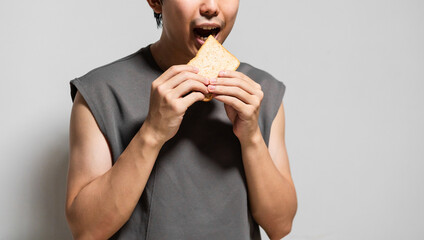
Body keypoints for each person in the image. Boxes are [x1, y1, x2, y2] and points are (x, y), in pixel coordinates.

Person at [65, 0, 298, 239]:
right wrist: (152, 132)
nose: (210, 6)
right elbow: (86, 230)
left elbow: (280, 226)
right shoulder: (101, 91)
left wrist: (251, 137)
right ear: (156, 1)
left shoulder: (260, 93)